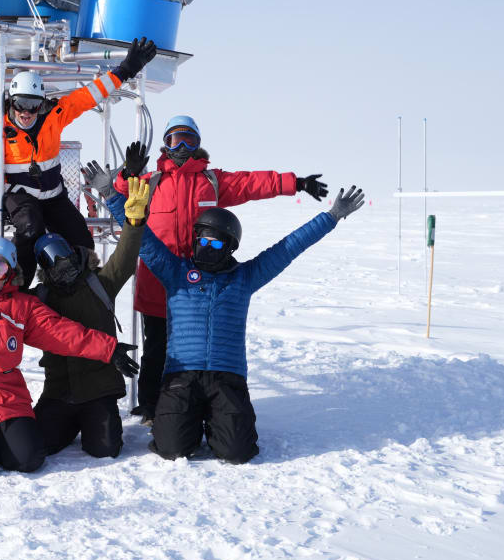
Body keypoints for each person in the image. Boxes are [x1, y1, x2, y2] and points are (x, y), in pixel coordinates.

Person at [0, 154, 138, 477]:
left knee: (28, 459)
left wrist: (108, 348)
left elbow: (63, 333)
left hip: (1, 395)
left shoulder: (21, 306)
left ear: (10, 274)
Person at [108, 181, 364, 463]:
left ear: (229, 247)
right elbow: (144, 240)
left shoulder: (245, 277)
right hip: (181, 376)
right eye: (202, 240)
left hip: (226, 377)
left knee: (237, 452)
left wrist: (331, 217)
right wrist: (111, 196)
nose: (207, 247)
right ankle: (189, 423)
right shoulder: (176, 272)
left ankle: (215, 422)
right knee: (171, 448)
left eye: (215, 243)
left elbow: (288, 248)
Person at [108, 117, 328, 423]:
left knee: (192, 345)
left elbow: (252, 183)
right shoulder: (152, 181)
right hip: (158, 278)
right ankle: (150, 405)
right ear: (165, 144)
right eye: (175, 140)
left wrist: (297, 183)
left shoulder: (212, 181)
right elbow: (120, 193)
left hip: (198, 283)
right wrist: (129, 172)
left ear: (198, 144)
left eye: (189, 140)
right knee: (156, 346)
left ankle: (191, 401)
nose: (182, 147)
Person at [0, 37, 159, 285]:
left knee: (82, 240)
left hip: (54, 196)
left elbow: (88, 96)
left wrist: (126, 69)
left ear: (41, 104)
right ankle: (18, 288)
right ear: (11, 102)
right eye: (21, 103)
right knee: (31, 230)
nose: (26, 112)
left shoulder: (54, 117)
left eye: (33, 105)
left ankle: (81, 288)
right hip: (20, 196)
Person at [27, 178, 149, 459]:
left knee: (104, 449)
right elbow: (0, 295)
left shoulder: (100, 283)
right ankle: (68, 425)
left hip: (99, 390)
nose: (60, 263)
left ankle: (92, 425)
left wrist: (133, 223)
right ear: (43, 267)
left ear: (73, 253)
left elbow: (126, 259)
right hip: (59, 392)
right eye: (49, 258)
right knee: (37, 446)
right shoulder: (41, 298)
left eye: (61, 254)